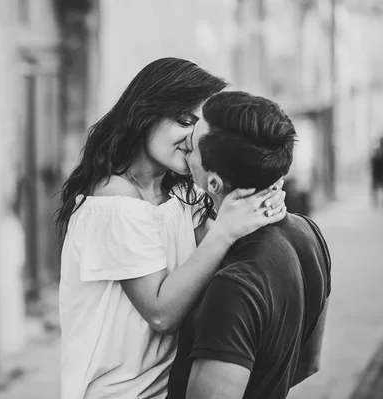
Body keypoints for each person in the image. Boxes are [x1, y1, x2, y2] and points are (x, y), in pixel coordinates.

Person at [55, 58, 287, 399]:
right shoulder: (114, 201)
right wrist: (225, 231)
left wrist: (260, 201)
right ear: (145, 113)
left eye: (201, 128)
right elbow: (161, 313)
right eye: (184, 121)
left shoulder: (179, 191)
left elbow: (209, 259)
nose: (193, 139)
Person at [167, 91, 331, 399]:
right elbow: (309, 364)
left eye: (191, 148)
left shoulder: (234, 285)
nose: (185, 148)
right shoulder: (308, 234)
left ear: (213, 183)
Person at [370, 136, 383, 207]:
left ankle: (375, 201)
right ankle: (375, 201)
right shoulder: (377, 152)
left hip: (377, 174)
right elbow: (373, 163)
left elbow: (372, 162)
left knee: (375, 187)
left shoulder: (376, 153)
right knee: (374, 187)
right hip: (377, 174)